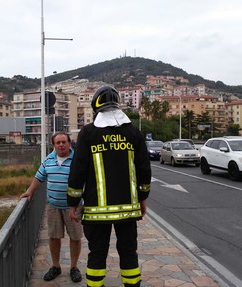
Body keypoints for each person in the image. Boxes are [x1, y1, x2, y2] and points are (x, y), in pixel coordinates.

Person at [67, 86, 152, 287]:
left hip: (96, 213)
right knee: (129, 253)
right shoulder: (134, 133)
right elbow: (144, 171)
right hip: (128, 211)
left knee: (97, 254)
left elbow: (78, 171)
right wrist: (142, 199)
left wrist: (73, 203)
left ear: (96, 106)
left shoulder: (88, 133)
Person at [20, 132, 83, 283]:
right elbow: (38, 177)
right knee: (54, 237)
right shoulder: (48, 160)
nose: (61, 145)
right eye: (58, 143)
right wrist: (29, 192)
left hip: (73, 207)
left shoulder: (78, 160)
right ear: (53, 145)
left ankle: (74, 267)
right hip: (53, 206)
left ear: (69, 143)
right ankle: (56, 266)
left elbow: (87, 180)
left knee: (75, 238)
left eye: (64, 142)